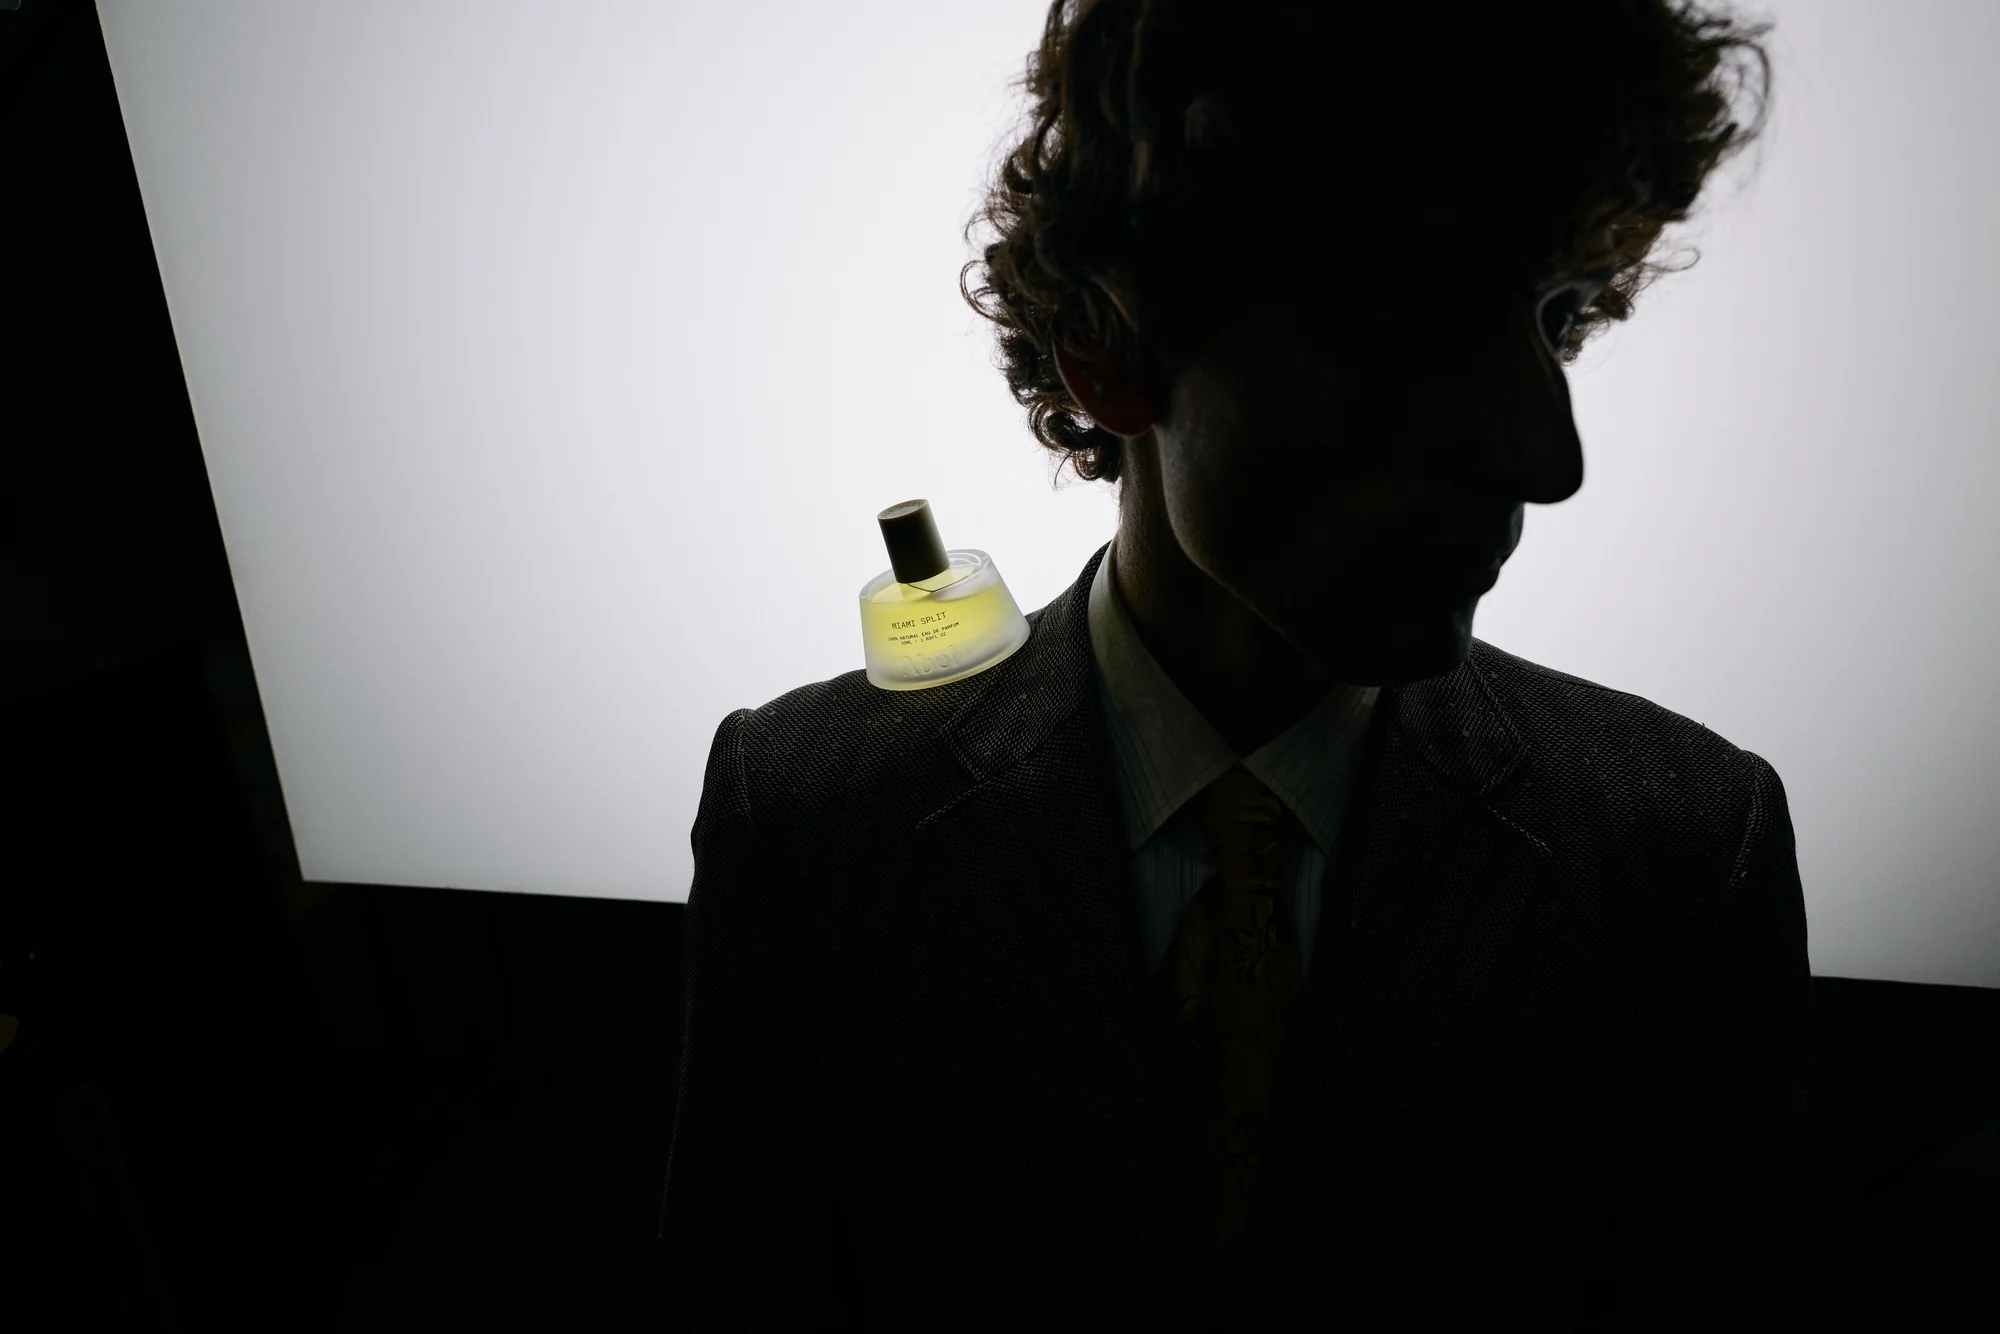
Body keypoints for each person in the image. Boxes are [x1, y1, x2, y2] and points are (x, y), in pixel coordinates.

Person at [658, 1, 1821, 1328]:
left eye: (1553, 319)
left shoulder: (1679, 848)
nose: (1545, 455)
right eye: (1410, 317)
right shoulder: (810, 814)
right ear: (1109, 351)